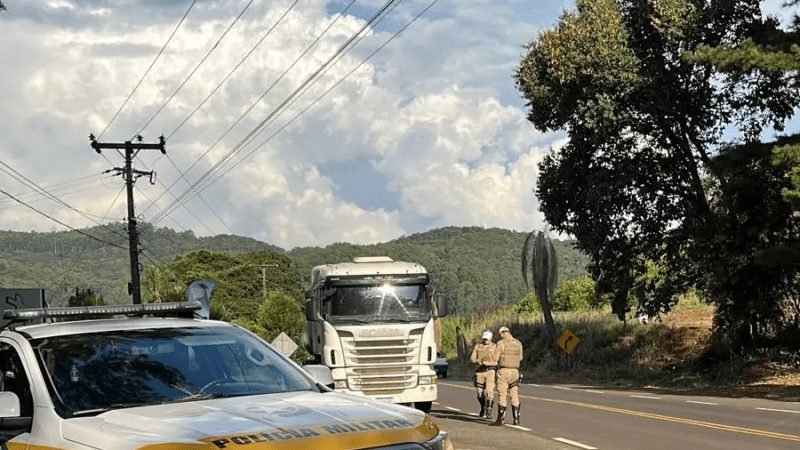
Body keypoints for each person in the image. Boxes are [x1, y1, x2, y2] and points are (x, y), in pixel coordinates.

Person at [490, 326, 523, 426]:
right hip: (515, 371)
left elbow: (495, 358)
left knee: (502, 394)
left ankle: (501, 418)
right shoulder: (518, 343)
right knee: (514, 394)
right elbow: (520, 358)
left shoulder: (501, 343)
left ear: (502, 333)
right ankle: (516, 419)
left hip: (504, 371)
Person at [469, 330, 496, 418]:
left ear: (491, 339)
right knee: (479, 393)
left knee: (489, 391)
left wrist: (489, 363)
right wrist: (477, 361)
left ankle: (489, 411)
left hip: (490, 371)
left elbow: (498, 360)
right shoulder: (478, 346)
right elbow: (472, 358)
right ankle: (483, 407)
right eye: (484, 339)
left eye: (487, 339)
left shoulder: (495, 347)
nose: (485, 341)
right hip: (480, 371)